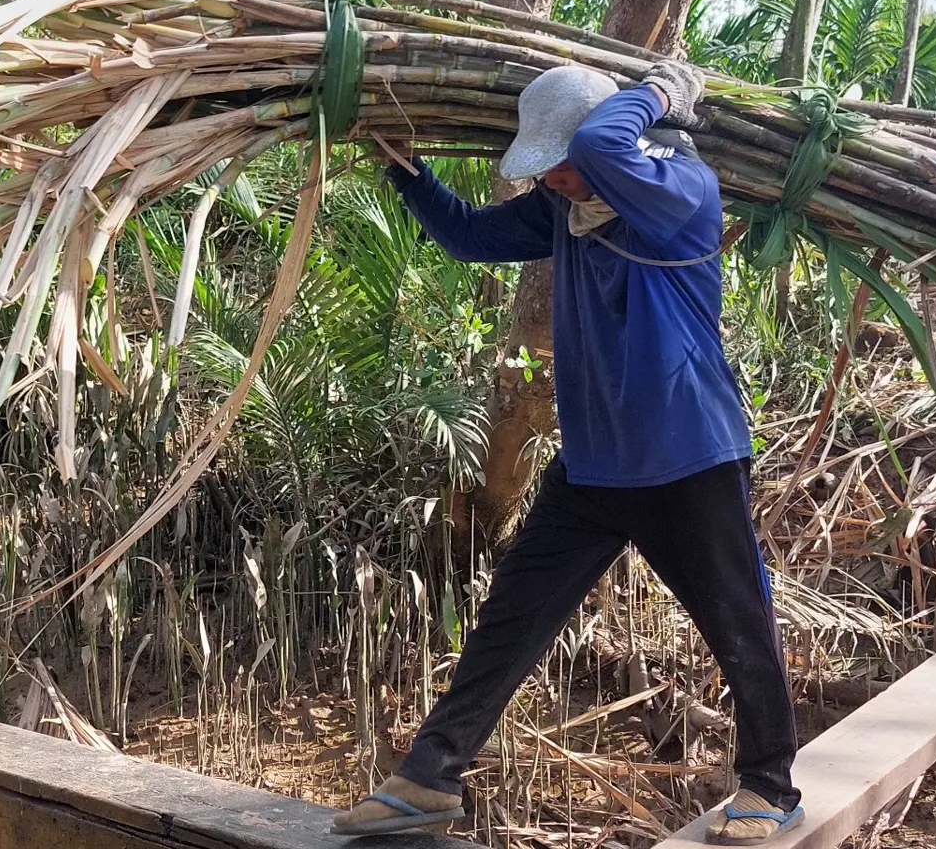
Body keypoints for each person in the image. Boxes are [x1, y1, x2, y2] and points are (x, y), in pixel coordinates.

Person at [331, 63, 802, 844]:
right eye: (542, 161)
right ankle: (428, 776)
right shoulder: (566, 210)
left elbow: (600, 138)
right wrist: (406, 173)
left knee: (736, 619)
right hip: (591, 465)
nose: (550, 173)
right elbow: (469, 237)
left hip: (688, 455)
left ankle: (768, 784)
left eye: (560, 158)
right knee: (512, 613)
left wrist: (660, 89)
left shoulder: (679, 191)